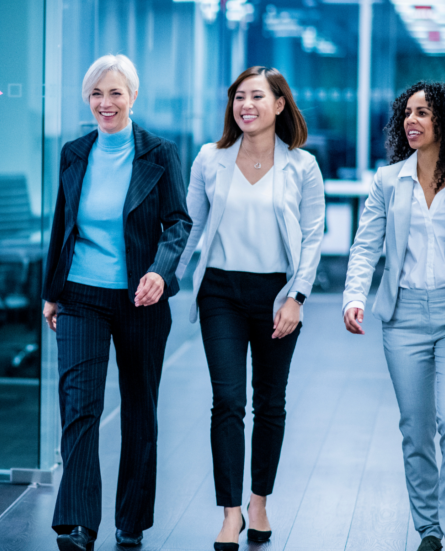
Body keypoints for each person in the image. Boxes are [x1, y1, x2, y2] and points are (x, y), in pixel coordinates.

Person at [342, 82, 445, 551]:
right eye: (407, 113)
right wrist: (353, 295)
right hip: (405, 317)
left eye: (423, 113)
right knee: (415, 429)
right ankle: (430, 532)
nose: (411, 121)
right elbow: (365, 245)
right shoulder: (387, 181)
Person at [41, 54, 191, 551]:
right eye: (96, 94)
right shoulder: (74, 152)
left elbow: (178, 224)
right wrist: (51, 292)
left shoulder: (160, 153)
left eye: (115, 93)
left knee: (138, 411)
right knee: (79, 408)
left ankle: (131, 521)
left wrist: (159, 272)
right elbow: (63, 224)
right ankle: (79, 524)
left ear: (132, 97)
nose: (105, 103)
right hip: (81, 295)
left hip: (140, 299)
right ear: (87, 99)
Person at [175, 66, 325, 551]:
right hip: (220, 291)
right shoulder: (209, 159)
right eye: (240, 97)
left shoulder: (302, 166)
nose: (247, 106)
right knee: (228, 401)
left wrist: (297, 298)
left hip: (277, 295)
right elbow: (190, 227)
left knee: (271, 403)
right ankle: (230, 513)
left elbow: (313, 240)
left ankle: (258, 501)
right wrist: (164, 276)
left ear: (280, 104)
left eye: (258, 97)